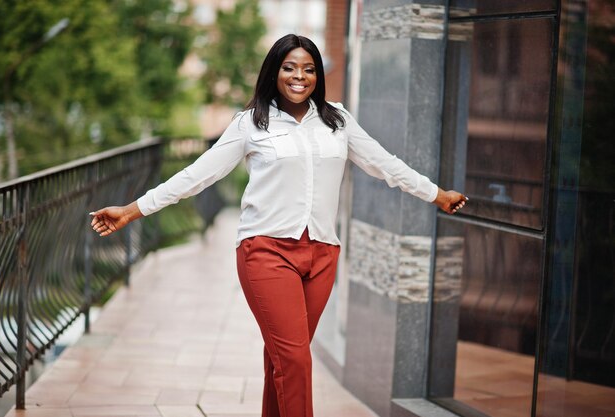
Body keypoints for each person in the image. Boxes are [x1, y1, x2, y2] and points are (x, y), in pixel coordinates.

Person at [90, 34, 467, 417]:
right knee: (296, 360)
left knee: (283, 358)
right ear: (274, 72)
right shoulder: (251, 123)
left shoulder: (338, 121)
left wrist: (436, 194)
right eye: (289, 68)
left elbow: (386, 164)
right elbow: (196, 175)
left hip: (322, 253)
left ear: (318, 74)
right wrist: (132, 210)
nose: (299, 76)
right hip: (265, 252)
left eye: (308, 69)